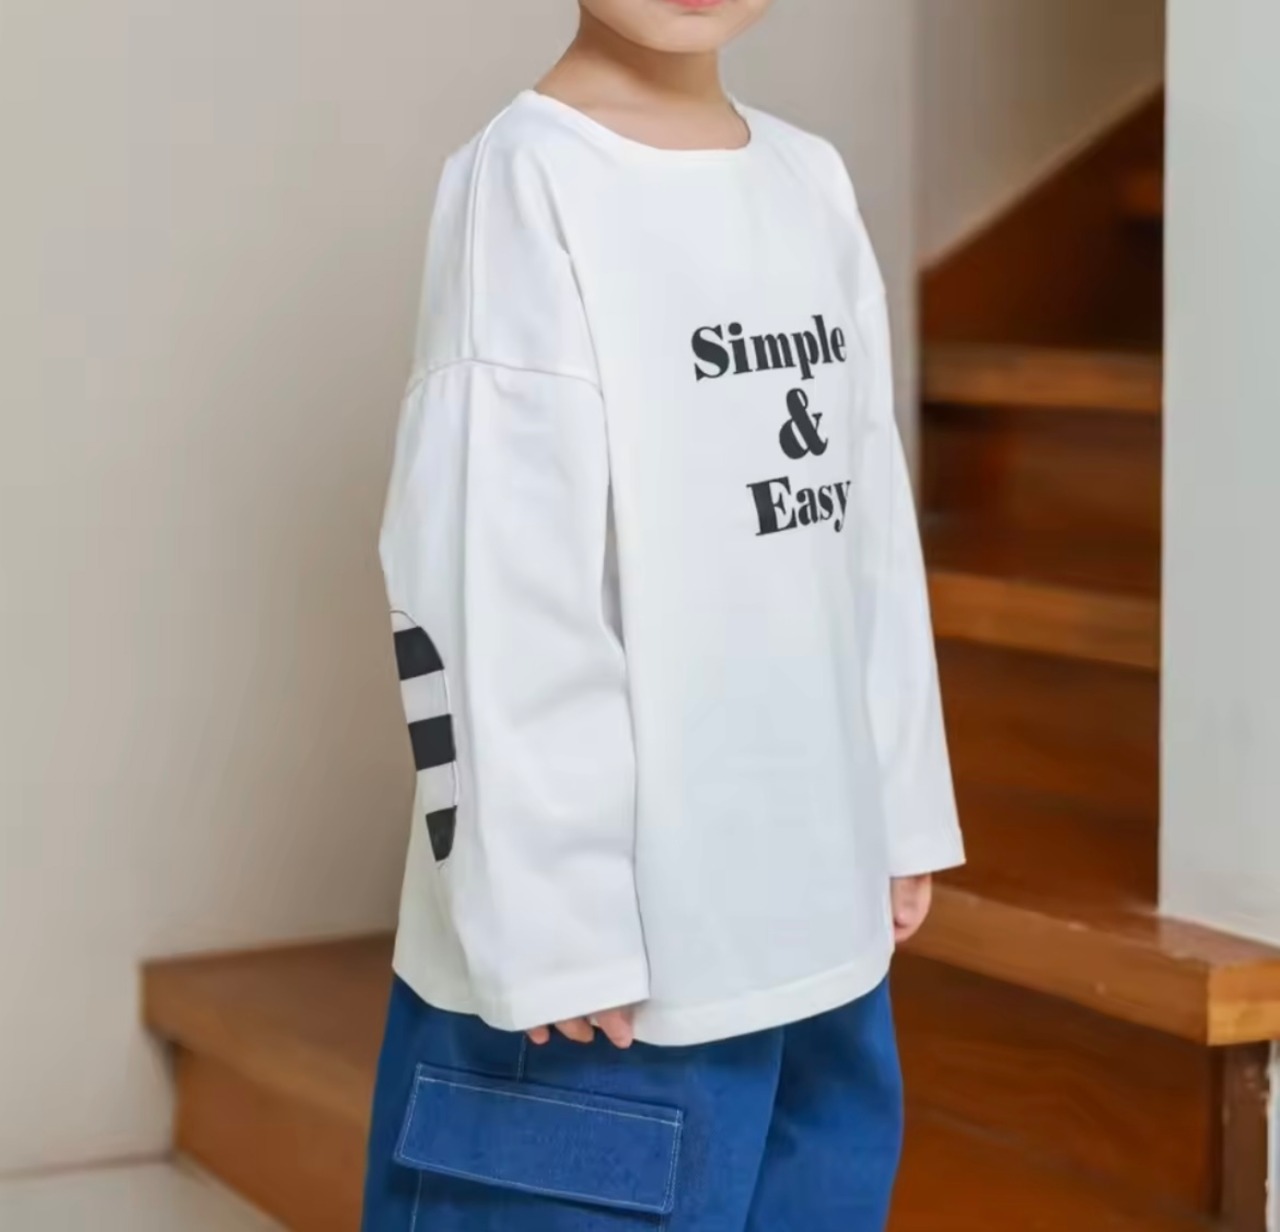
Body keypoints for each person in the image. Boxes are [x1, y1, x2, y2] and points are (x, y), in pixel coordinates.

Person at [363, 1, 964, 1228]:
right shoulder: (526, 179)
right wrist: (549, 914)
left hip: (813, 927)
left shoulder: (809, 177)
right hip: (604, 964)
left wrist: (898, 798)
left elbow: (860, 516)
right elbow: (490, 565)